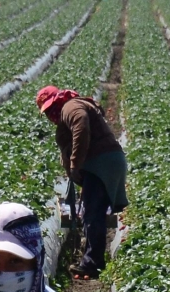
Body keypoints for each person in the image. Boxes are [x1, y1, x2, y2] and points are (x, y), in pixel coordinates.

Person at [36, 86, 128, 279]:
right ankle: (91, 260)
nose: (51, 114)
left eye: (51, 108)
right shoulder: (69, 109)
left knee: (92, 213)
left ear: (58, 100)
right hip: (103, 162)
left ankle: (92, 263)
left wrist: (75, 164)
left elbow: (81, 127)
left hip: (101, 163)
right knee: (92, 212)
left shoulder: (71, 107)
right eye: (47, 111)